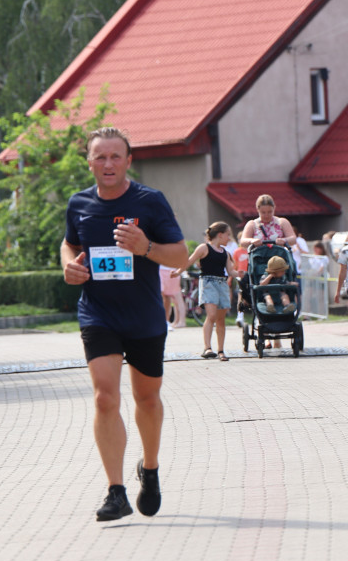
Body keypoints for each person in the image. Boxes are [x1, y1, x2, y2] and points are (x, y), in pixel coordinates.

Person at [61, 127, 188, 522]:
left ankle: (149, 470)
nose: (108, 164)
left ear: (129, 161)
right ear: (89, 162)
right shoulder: (79, 203)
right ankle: (115, 491)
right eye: (100, 157)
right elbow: (70, 244)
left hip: (144, 315)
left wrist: (145, 247)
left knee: (147, 399)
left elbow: (181, 257)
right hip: (99, 312)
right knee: (104, 397)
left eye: (116, 156)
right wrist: (68, 265)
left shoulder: (150, 202)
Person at [173, 222, 238, 361]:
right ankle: (207, 348)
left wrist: (240, 274)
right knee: (212, 315)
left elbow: (231, 271)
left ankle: (221, 350)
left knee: (221, 319)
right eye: (228, 235)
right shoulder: (204, 248)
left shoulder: (225, 253)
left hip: (222, 284)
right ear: (220, 235)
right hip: (208, 283)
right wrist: (178, 271)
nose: (229, 238)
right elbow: (189, 261)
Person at [159, 264, 186, 329]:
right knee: (171, 299)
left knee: (175, 298)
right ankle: (175, 321)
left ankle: (181, 321)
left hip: (173, 271)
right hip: (165, 270)